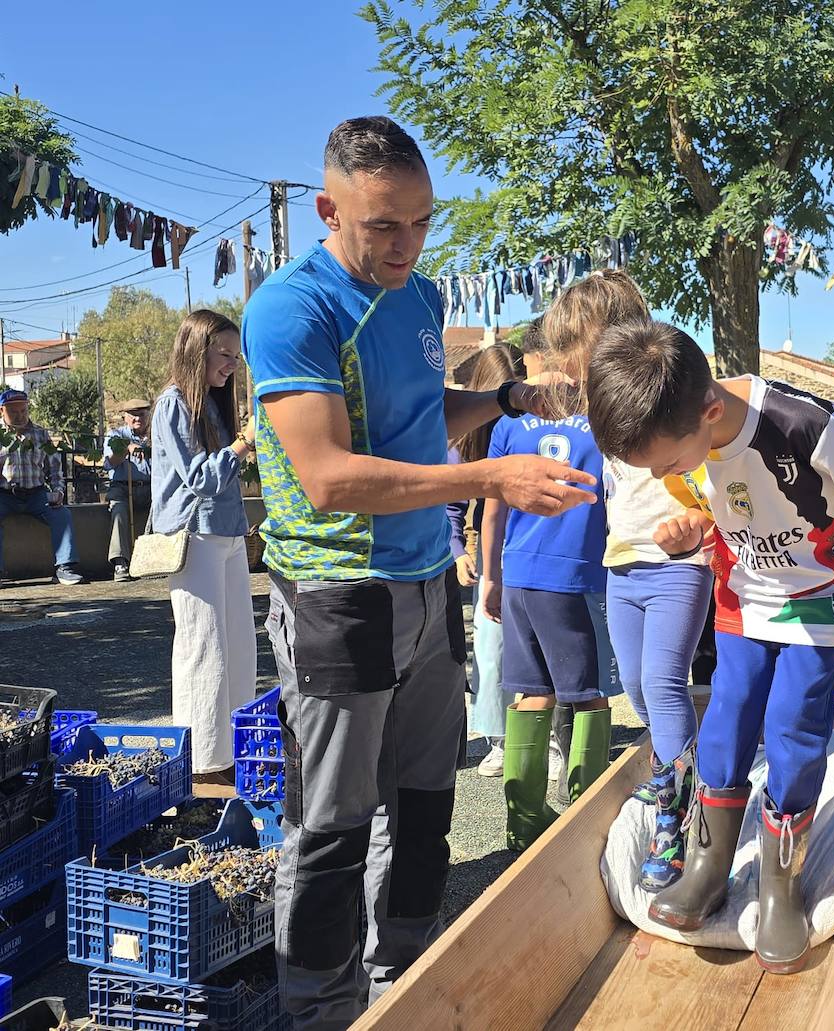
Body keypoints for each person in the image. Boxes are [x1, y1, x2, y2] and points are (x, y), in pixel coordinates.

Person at [241, 115, 595, 1030]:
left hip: (429, 582)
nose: (406, 245)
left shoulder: (419, 295)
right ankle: (322, 1007)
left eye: (422, 223)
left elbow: (418, 412)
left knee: (428, 803)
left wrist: (503, 401)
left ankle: (409, 979)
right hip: (337, 594)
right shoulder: (292, 307)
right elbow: (326, 475)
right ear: (329, 208)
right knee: (331, 825)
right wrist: (489, 475)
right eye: (383, 226)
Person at [585, 320, 834, 974]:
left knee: (794, 720)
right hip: (747, 585)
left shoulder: (804, 426)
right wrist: (694, 528)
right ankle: (707, 865)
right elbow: (735, 503)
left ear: (708, 410)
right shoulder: (686, 432)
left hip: (823, 582)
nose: (669, 474)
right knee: (727, 713)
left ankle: (781, 884)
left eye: (669, 464)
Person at [540, 271, 714, 891]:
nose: (567, 371)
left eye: (574, 355)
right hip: (623, 568)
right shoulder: (601, 414)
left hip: (675, 568)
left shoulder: (661, 403)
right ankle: (678, 768)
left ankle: (679, 813)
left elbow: (711, 492)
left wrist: (693, 527)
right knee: (637, 688)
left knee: (665, 683)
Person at [482, 356, 618, 851]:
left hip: (518, 575)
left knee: (533, 692)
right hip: (575, 575)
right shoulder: (601, 417)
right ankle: (587, 813)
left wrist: (490, 576)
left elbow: (491, 507)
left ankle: (523, 822)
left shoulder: (509, 421)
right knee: (589, 693)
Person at [150, 310, 257, 786]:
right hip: (195, 536)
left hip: (228, 534)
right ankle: (199, 765)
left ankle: (230, 755)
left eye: (236, 356)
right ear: (198, 350)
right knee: (204, 649)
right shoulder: (174, 403)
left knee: (238, 648)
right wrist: (242, 444)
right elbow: (201, 480)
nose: (233, 363)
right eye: (224, 353)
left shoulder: (212, 403)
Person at [449, 343, 522, 778]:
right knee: (491, 649)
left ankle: (545, 734)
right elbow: (451, 507)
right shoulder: (466, 441)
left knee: (532, 648)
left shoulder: (525, 429)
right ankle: (498, 737)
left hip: (528, 551)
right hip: (486, 556)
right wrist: (459, 554)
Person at [0, 388, 85, 586]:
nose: (20, 416)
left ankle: (65, 567)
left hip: (36, 494)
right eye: (14, 412)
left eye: (23, 411)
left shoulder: (40, 434)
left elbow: (54, 468)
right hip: (4, 494)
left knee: (61, 514)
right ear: (2, 410)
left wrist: (58, 491)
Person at [105, 399, 153, 581]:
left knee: (165, 507)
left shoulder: (156, 435)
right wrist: (125, 450)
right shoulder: (115, 435)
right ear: (125, 417)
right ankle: (120, 562)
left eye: (141, 414)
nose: (137, 418)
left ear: (148, 415)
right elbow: (108, 465)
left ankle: (156, 560)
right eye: (133, 414)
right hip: (122, 487)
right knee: (118, 511)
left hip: (150, 487)